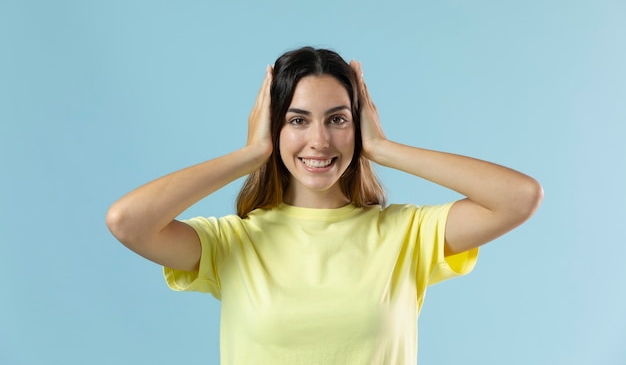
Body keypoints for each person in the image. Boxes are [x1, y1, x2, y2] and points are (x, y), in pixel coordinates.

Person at [106, 46, 543, 365]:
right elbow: (127, 221)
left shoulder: (406, 234)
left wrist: (385, 149)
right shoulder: (231, 242)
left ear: (359, 126)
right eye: (297, 120)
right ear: (274, 127)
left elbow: (519, 197)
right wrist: (249, 154)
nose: (319, 140)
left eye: (337, 119)